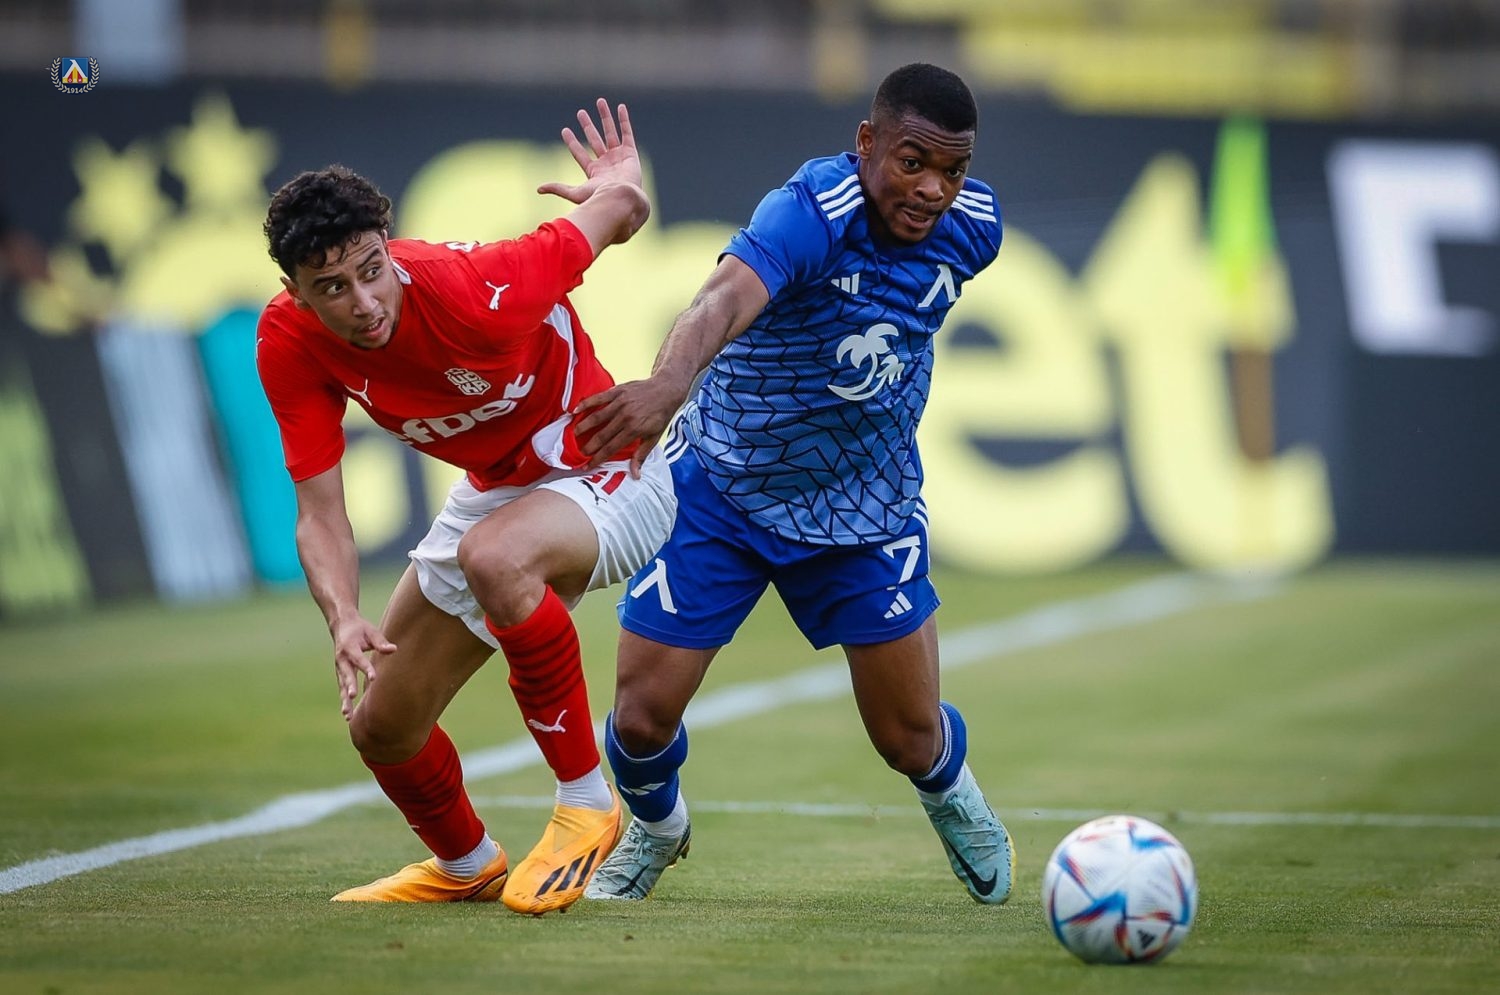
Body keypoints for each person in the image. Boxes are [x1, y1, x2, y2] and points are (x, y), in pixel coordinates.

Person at [572, 64, 1015, 904]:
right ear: (866, 143)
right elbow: (718, 302)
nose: (932, 189)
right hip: (724, 486)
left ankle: (950, 792)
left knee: (908, 737)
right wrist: (667, 388)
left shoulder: (975, 229)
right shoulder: (810, 211)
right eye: (912, 162)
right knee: (639, 717)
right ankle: (656, 828)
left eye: (952, 170)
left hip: (865, 502)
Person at [255, 100, 676, 915]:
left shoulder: (483, 288)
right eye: (332, 287)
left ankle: (587, 803)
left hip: (610, 464)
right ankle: (465, 863)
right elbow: (321, 511)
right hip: (498, 488)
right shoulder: (289, 341)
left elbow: (621, 211)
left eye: (371, 269)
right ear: (295, 294)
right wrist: (343, 615)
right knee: (382, 724)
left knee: (495, 555)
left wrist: (619, 185)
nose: (363, 302)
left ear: (389, 246)